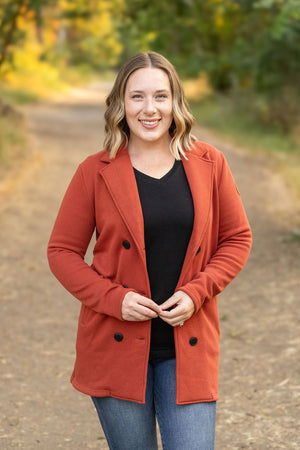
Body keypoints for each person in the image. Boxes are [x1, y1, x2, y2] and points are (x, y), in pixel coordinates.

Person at [47, 51, 252, 450]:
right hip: (116, 344)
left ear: (176, 102)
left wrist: (197, 292)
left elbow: (237, 238)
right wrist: (113, 298)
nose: (149, 109)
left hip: (187, 342)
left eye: (161, 96)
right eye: (136, 96)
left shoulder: (210, 163)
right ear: (120, 105)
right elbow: (62, 251)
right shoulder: (95, 171)